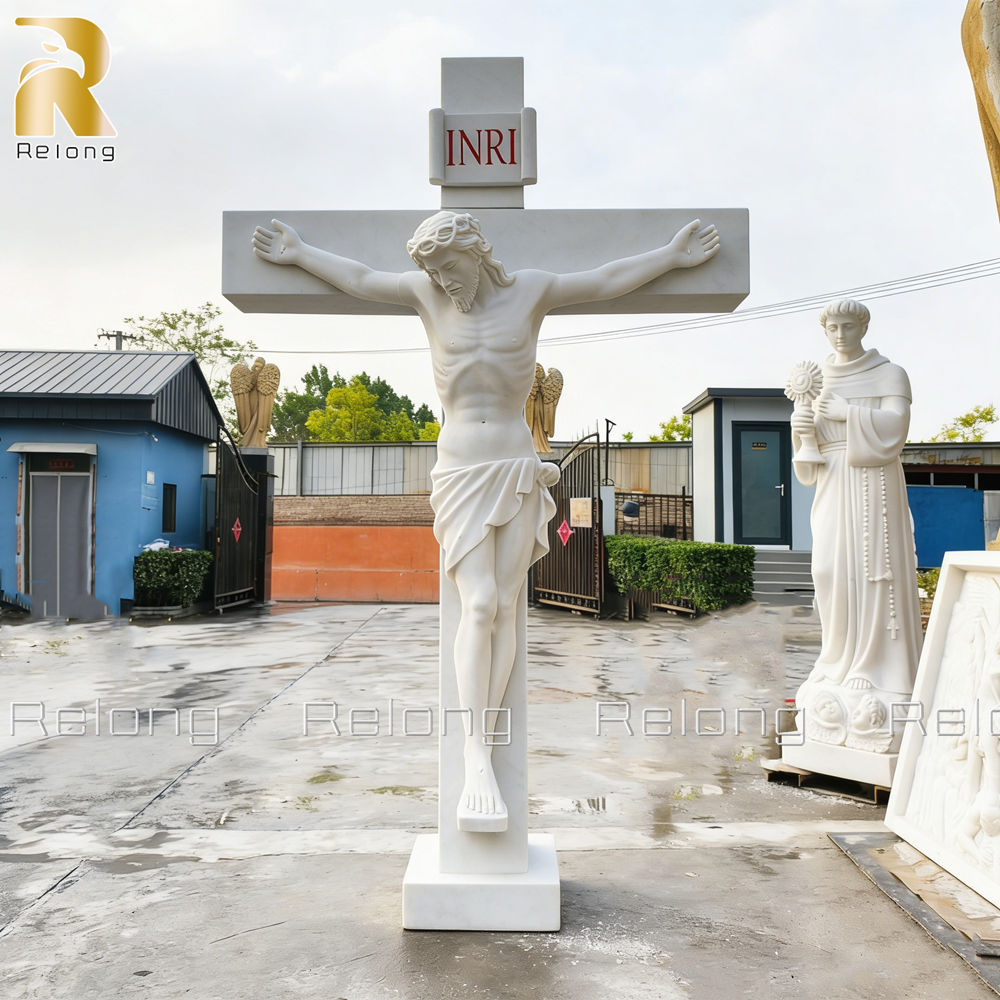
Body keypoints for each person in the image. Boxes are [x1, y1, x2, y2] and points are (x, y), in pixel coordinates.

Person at [252, 210, 720, 828]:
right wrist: (300, 252)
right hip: (458, 471)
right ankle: (475, 752)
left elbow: (607, 277)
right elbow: (361, 277)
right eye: (434, 273)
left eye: (448, 268)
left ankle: (489, 733)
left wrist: (671, 257)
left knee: (503, 605)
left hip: (513, 465)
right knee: (477, 607)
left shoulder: (531, 291)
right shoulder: (426, 294)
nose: (443, 282)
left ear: (474, 252)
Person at [790, 300, 921, 749]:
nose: (840, 334)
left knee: (871, 572)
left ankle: (874, 665)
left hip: (872, 483)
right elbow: (808, 461)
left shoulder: (890, 373)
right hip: (832, 480)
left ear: (863, 326)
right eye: (832, 327)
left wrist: (848, 413)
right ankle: (836, 658)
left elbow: (896, 428)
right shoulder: (818, 378)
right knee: (826, 570)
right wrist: (802, 427)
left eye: (848, 326)